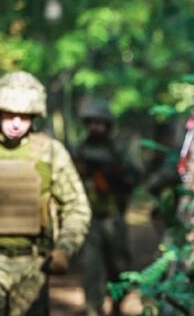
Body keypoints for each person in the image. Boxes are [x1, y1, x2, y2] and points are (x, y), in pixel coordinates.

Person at [0, 70, 91, 315]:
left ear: (34, 117)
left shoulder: (51, 153)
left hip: (34, 266)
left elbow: (77, 206)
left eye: (23, 116)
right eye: (10, 114)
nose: (16, 123)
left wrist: (64, 248)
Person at [73, 99, 139, 316]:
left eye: (100, 123)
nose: (95, 127)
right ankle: (93, 309)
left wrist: (114, 175)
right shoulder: (80, 150)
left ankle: (118, 306)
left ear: (108, 125)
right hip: (88, 219)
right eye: (92, 123)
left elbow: (135, 177)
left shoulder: (119, 151)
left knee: (118, 267)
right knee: (91, 269)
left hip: (113, 217)